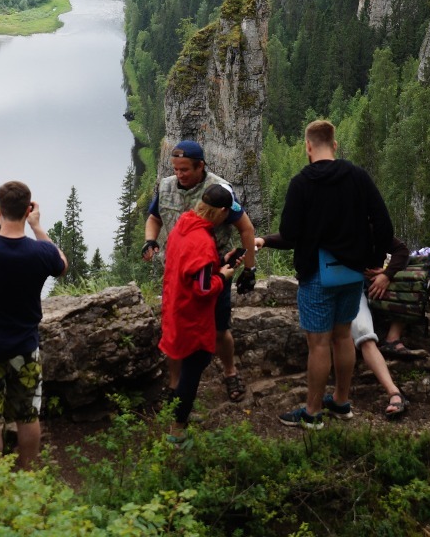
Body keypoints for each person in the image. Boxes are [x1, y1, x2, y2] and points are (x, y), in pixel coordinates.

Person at [274, 119, 394, 430]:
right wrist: (375, 261)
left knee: (318, 344)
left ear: (308, 146)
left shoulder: (301, 182)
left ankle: (312, 413)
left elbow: (288, 232)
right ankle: (341, 402)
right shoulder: (357, 176)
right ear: (335, 145)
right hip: (353, 274)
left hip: (317, 274)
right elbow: (383, 222)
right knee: (343, 338)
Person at [0, 180, 67, 469]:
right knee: (28, 416)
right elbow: (62, 264)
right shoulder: (41, 253)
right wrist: (37, 227)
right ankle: (27, 472)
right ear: (28, 209)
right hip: (25, 348)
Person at [142, 139, 257, 403]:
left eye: (185, 170)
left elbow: (246, 228)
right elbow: (155, 218)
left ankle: (230, 372)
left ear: (200, 166)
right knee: (175, 330)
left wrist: (249, 268)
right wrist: (150, 240)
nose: (179, 175)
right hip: (176, 274)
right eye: (176, 168)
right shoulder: (167, 185)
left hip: (213, 270)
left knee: (219, 328)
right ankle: (175, 385)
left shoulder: (219, 190)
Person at [256, 231, 412, 419]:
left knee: (360, 335)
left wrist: (386, 275)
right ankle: (389, 393)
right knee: (360, 334)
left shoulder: (364, 224)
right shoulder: (358, 220)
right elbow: (300, 235)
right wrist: (265, 240)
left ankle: (393, 393)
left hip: (354, 286)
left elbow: (401, 250)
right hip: (353, 287)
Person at [160, 184, 239, 444]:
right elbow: (204, 287)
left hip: (174, 307)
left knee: (182, 365)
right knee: (193, 368)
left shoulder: (184, 224)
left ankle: (173, 410)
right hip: (192, 317)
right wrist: (224, 277)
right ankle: (178, 430)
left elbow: (193, 268)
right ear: (221, 212)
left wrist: (219, 262)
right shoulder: (203, 242)